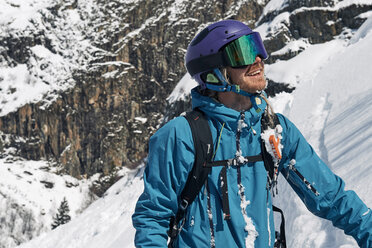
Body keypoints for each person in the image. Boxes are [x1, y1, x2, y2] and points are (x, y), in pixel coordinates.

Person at [132, 20, 372, 248]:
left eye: (257, 48)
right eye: (243, 52)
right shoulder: (181, 135)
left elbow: (332, 197)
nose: (258, 60)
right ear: (215, 72)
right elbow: (153, 217)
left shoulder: (274, 129)